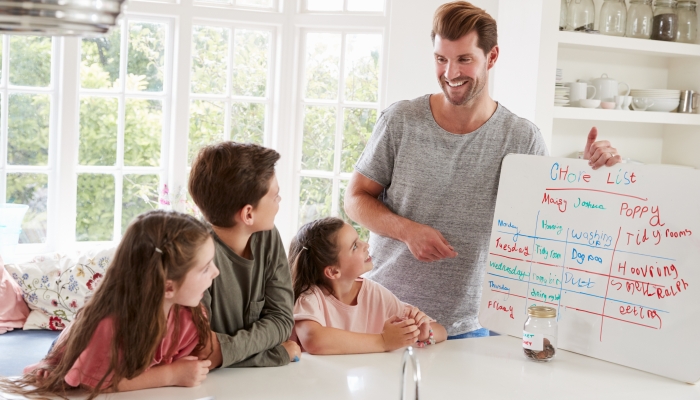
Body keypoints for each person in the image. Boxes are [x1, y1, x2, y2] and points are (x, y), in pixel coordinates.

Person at [343, 1, 623, 339]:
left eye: (464, 59)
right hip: (385, 314)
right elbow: (355, 199)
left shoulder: (521, 137)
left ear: (491, 58)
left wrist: (594, 173)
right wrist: (407, 231)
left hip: (469, 326)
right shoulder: (400, 121)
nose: (450, 73)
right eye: (441, 59)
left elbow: (551, 223)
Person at [0, 210, 219, 399]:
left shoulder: (190, 315)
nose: (216, 273)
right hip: (80, 346)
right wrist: (171, 375)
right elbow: (98, 381)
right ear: (168, 287)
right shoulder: (109, 325)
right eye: (205, 268)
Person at [188, 142, 300, 367]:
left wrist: (224, 352)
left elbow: (281, 320)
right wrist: (274, 354)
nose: (279, 202)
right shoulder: (193, 255)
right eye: (275, 196)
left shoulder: (267, 236)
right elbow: (201, 352)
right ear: (248, 214)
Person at [289, 217, 447, 354]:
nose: (366, 245)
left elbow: (441, 331)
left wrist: (423, 333)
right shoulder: (309, 297)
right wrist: (383, 341)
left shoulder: (374, 293)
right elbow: (314, 340)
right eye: (355, 246)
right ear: (333, 271)